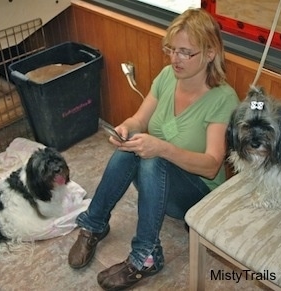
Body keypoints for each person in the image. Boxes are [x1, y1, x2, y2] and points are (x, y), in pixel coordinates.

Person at [68, 8, 239, 291]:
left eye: (186, 52)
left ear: (210, 53)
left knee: (153, 158)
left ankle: (145, 256)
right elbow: (140, 119)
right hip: (162, 187)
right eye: (172, 49)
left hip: (199, 197)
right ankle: (94, 225)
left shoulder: (223, 99)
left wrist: (163, 148)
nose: (175, 59)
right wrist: (126, 128)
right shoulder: (166, 77)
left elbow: (211, 165)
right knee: (131, 150)